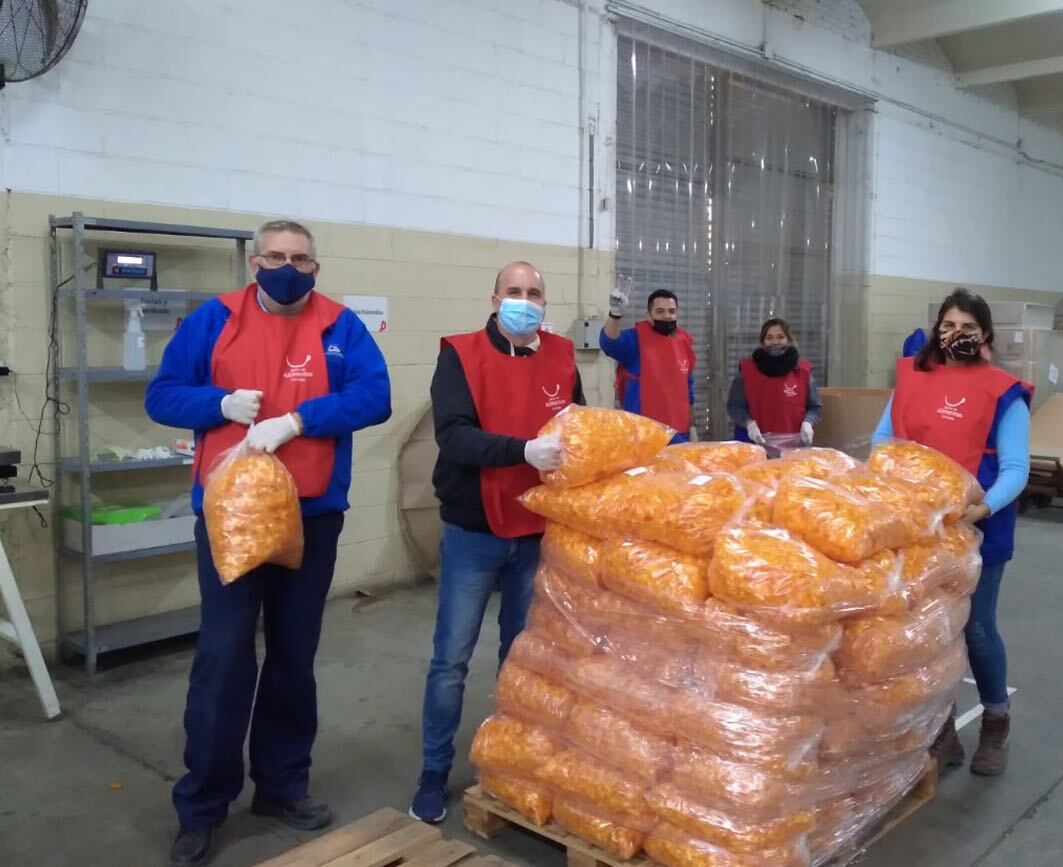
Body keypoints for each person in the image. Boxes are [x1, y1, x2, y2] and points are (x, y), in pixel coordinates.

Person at [146, 220, 392, 867]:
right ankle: (202, 803)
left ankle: (281, 785)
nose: (288, 266)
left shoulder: (341, 327)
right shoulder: (215, 319)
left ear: (317, 265)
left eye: (300, 258)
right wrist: (219, 403)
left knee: (293, 654)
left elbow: (376, 395)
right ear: (256, 261)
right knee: (224, 657)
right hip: (233, 517)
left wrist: (300, 418)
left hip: (312, 514)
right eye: (276, 256)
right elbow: (162, 394)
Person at [411, 261, 583, 824]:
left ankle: (511, 765)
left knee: (523, 657)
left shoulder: (560, 355)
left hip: (537, 532)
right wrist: (522, 452)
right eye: (514, 292)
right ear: (494, 299)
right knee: (451, 660)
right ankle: (434, 773)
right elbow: (454, 434)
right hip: (474, 530)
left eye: (534, 293)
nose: (524, 301)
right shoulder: (459, 354)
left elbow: (577, 428)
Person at [871, 288, 1031, 778]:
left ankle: (995, 723)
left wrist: (980, 508)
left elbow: (1015, 468)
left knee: (976, 628)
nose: (955, 335)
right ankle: (941, 730)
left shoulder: (1003, 392)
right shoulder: (913, 380)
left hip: (978, 529)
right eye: (948, 326)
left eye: (967, 328)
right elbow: (883, 441)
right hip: (921, 532)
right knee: (929, 636)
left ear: (984, 335)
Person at [601, 283, 695, 443]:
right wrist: (615, 315)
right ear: (649, 315)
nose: (667, 316)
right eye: (660, 311)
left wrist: (692, 428)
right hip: (642, 438)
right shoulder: (636, 339)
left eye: (672, 311)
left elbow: (689, 392)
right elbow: (610, 344)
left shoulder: (684, 342)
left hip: (678, 437)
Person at [727, 317, 822, 446]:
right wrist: (749, 424)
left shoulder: (802, 372)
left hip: (792, 448)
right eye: (769, 337)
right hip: (755, 444)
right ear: (762, 341)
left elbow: (814, 407)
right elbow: (734, 406)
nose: (775, 342)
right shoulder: (747, 372)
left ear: (788, 340)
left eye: (780, 337)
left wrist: (808, 423)